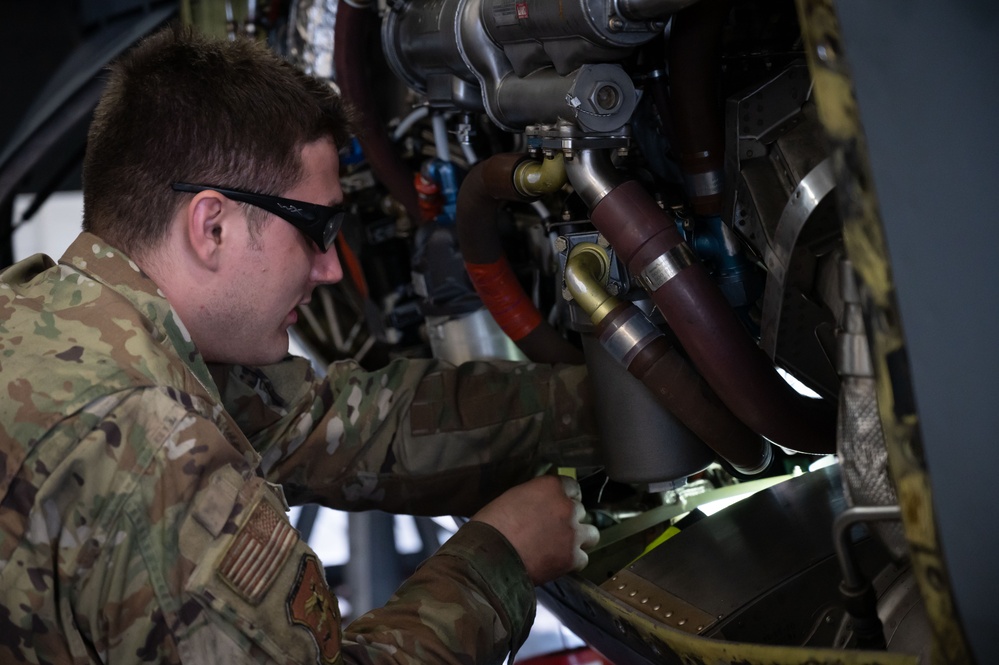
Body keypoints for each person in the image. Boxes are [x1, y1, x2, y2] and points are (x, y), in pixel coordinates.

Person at [0, 25, 599, 665]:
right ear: (214, 226)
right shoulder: (148, 445)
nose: (332, 269)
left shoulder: (58, 319)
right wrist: (498, 560)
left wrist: (607, 407)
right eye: (317, 228)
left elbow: (346, 427)